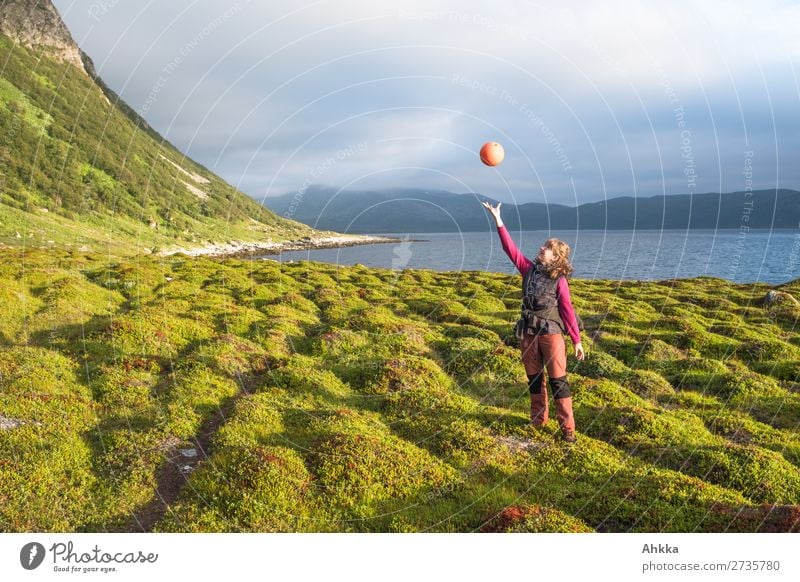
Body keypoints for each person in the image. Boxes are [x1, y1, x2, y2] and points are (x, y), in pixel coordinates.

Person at [482, 200, 585, 443]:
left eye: (547, 247)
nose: (541, 248)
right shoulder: (528, 269)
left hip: (551, 334)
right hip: (527, 332)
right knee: (534, 379)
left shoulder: (560, 280)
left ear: (556, 257)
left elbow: (567, 310)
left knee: (558, 380)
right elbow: (510, 250)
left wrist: (577, 341)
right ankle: (538, 420)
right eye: (543, 246)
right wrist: (498, 220)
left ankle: (567, 429)